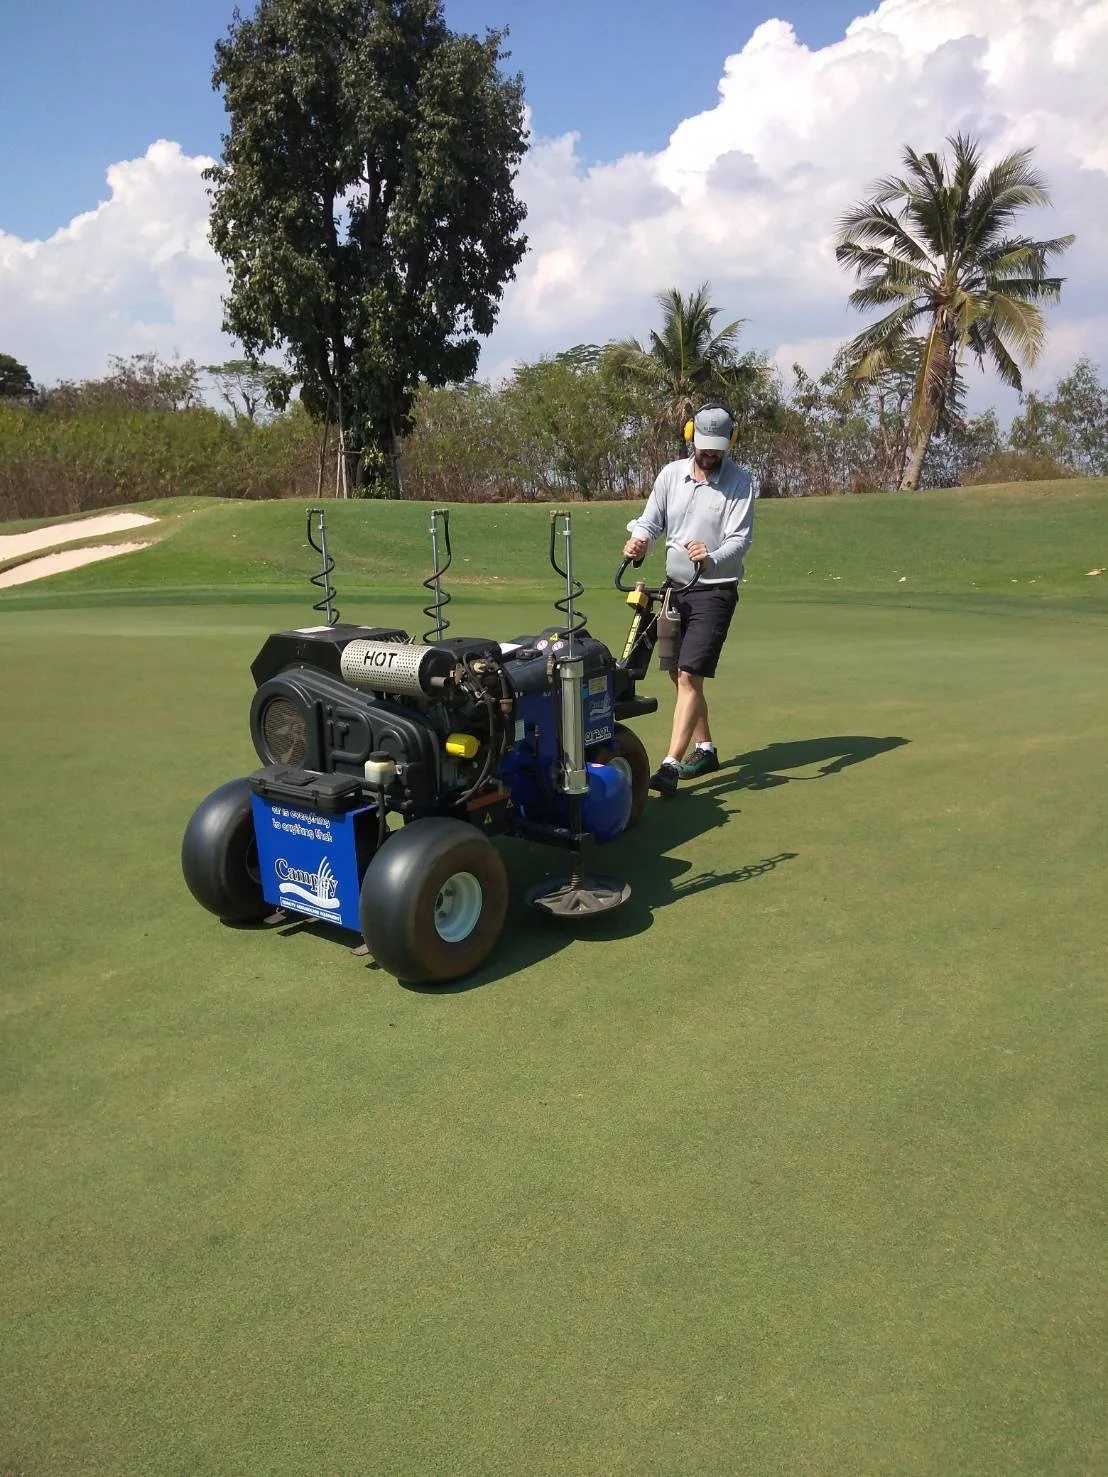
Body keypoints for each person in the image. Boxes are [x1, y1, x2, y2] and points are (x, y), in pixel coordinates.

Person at [621, 403, 756, 795]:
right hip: (673, 588)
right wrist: (640, 540)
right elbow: (650, 520)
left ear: (731, 442)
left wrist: (710, 557)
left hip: (716, 590)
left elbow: (740, 540)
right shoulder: (670, 474)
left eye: (718, 448)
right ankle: (706, 748)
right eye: (704, 446)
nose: (711, 454)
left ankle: (670, 764)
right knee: (676, 672)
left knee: (688, 674)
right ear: (690, 437)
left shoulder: (741, 483)